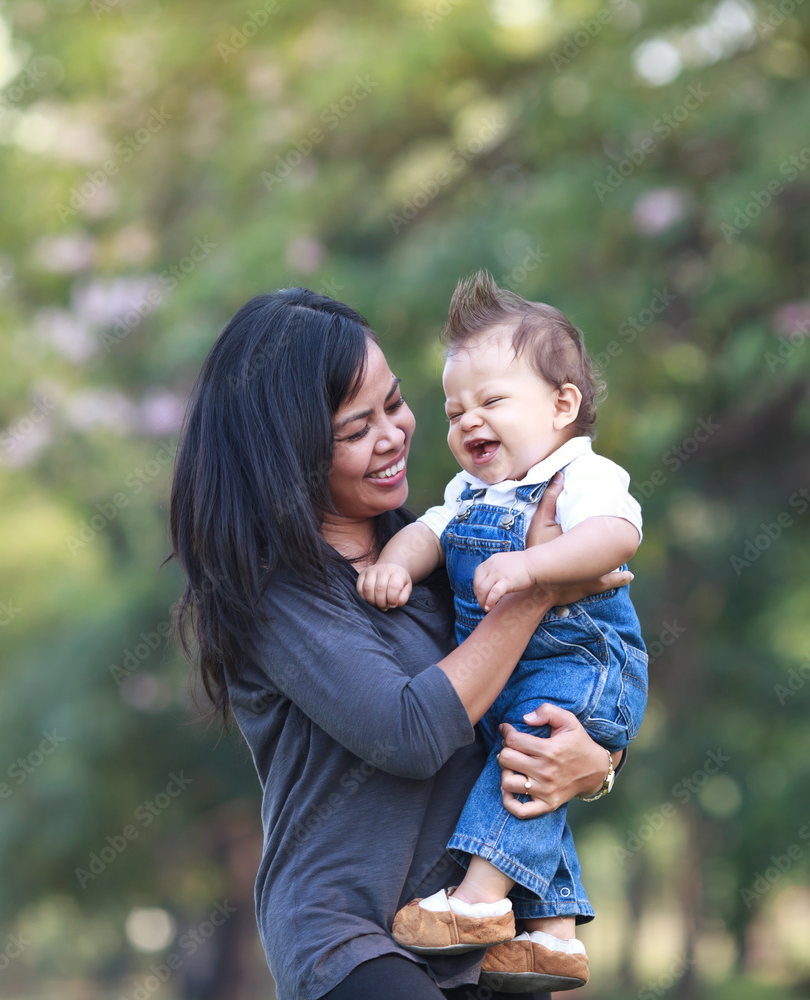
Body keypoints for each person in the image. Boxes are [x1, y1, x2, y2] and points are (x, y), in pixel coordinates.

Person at [168, 287, 632, 1000]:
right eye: (357, 429)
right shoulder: (277, 597)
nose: (395, 434)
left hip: (477, 938)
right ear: (288, 456)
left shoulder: (447, 549)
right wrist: (536, 588)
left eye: (396, 402)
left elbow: (552, 675)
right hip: (352, 943)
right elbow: (409, 731)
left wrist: (594, 763)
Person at [356, 273, 648, 992]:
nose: (466, 423)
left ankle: (479, 904)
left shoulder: (580, 473)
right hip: (523, 677)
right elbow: (429, 531)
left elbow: (617, 536)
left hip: (583, 665)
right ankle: (551, 935)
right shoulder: (468, 494)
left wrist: (534, 566)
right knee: (532, 771)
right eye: (455, 411)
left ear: (562, 405)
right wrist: (395, 565)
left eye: (491, 402)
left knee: (520, 767)